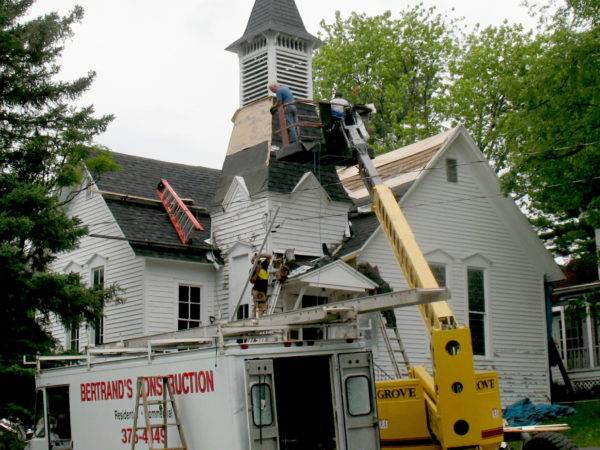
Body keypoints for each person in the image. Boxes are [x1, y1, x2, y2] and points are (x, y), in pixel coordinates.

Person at [250, 253, 271, 317]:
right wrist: (257, 272)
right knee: (261, 307)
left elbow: (269, 257)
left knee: (257, 307)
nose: (257, 264)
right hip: (257, 290)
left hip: (262, 291)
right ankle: (257, 319)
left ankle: (253, 318)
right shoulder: (252, 270)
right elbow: (252, 281)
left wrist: (259, 255)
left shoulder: (264, 265)